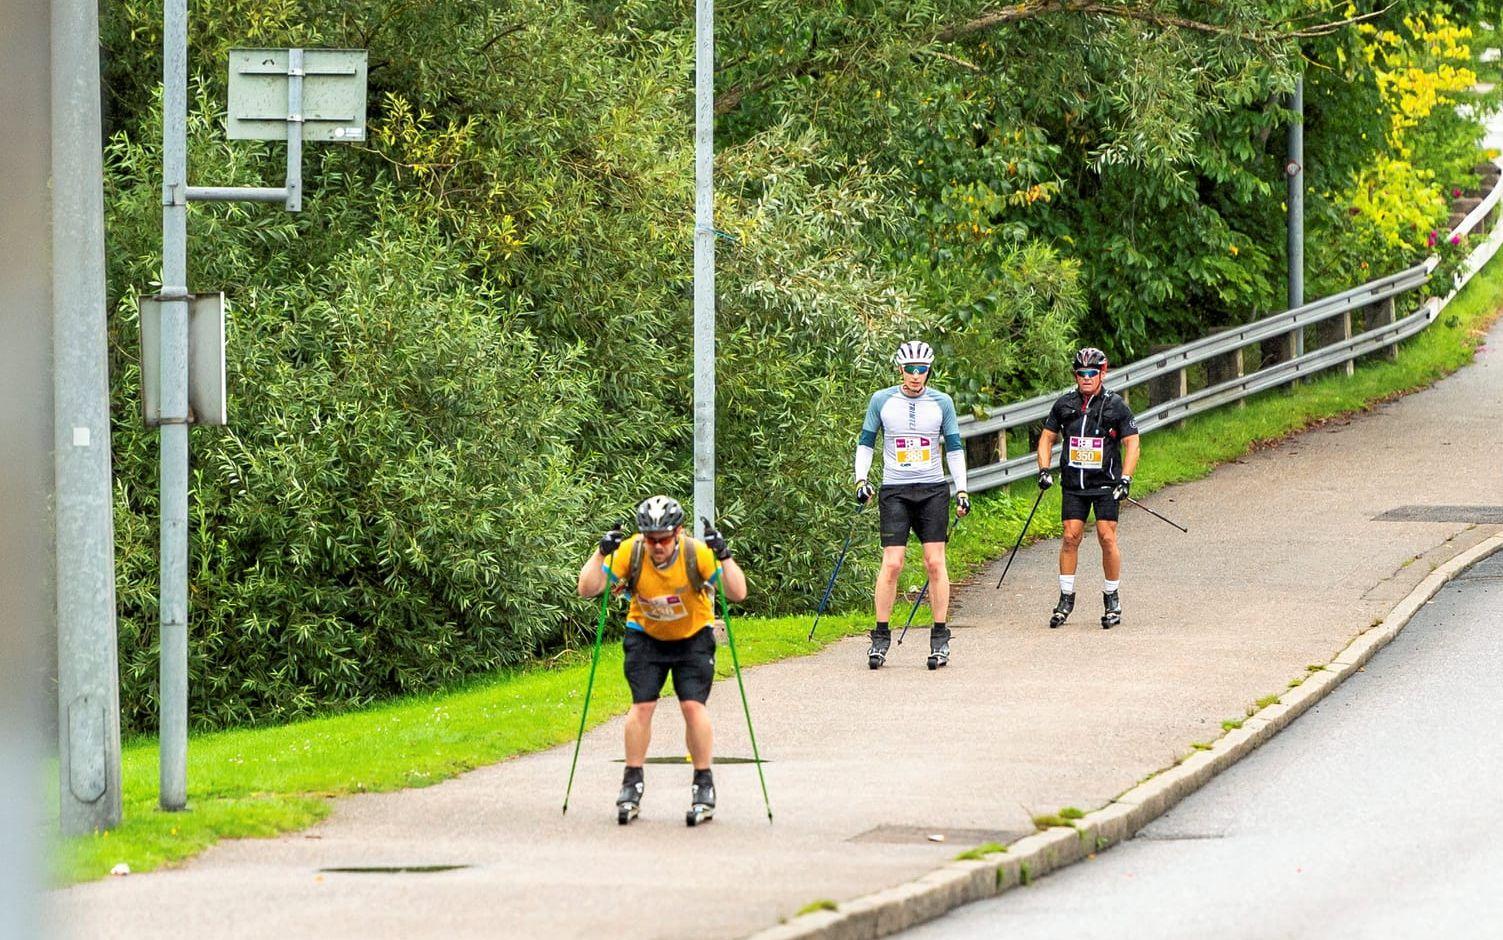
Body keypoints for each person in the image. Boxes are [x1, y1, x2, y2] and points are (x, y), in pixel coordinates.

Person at [576, 495, 748, 826]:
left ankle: (703, 784)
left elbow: (738, 593)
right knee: (642, 706)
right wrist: (600, 552)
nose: (657, 546)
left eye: (664, 539)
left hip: (692, 637)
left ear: (679, 532)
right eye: (651, 538)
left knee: (692, 707)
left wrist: (723, 556)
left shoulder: (694, 553)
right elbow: (588, 588)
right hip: (645, 637)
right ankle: (632, 783)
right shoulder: (632, 550)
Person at [853, 340, 970, 671]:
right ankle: (880, 636)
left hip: (932, 489)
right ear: (899, 369)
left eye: (922, 370)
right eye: (910, 370)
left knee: (935, 562)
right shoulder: (882, 400)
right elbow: (866, 443)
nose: (916, 376)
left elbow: (955, 447)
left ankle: (940, 636)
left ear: (929, 370)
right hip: (895, 490)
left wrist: (962, 489)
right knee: (892, 564)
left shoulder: (942, 402)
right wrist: (860, 481)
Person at [1036, 346, 1140, 629]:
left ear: (1102, 373)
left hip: (1105, 483)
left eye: (1092, 373)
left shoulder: (1116, 405)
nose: (1086, 378)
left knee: (1106, 536)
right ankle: (1066, 598)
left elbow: (1132, 443)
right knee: (1071, 536)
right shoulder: (1064, 404)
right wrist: (1044, 469)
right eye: (1081, 374)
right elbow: (1047, 438)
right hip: (1074, 483)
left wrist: (1126, 478)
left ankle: (1111, 597)